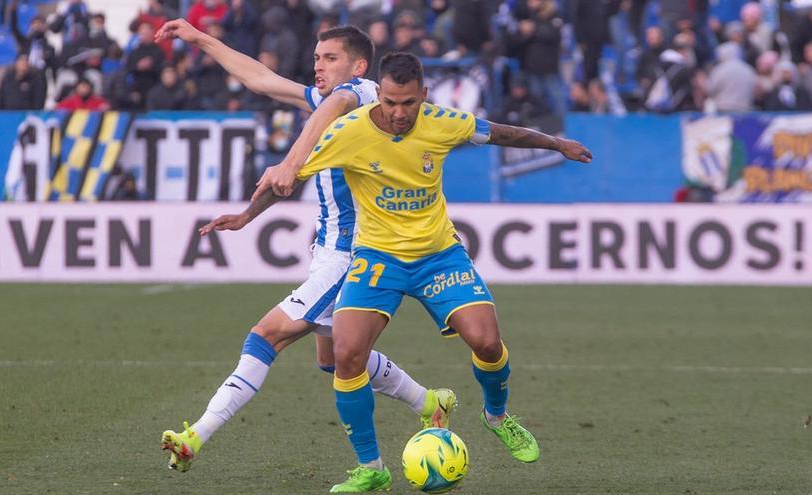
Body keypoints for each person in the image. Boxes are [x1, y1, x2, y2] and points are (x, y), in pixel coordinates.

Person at [246, 51, 592, 493]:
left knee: (487, 341)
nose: (398, 113)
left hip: (438, 256)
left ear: (423, 96)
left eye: (408, 103)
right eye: (389, 102)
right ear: (379, 95)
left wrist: (557, 144)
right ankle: (372, 468)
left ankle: (497, 417)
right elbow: (286, 181)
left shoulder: (443, 122)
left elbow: (502, 133)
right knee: (346, 356)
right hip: (376, 259)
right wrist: (244, 216)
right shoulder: (348, 132)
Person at [154, 18, 457, 474]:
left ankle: (196, 435)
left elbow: (328, 111)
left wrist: (283, 169)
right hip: (329, 249)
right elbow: (261, 80)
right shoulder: (333, 103)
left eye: (329, 58)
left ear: (358, 65)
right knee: (333, 358)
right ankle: (429, 401)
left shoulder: (362, 95)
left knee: (264, 336)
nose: (318, 66)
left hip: (354, 253)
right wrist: (199, 39)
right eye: (316, 58)